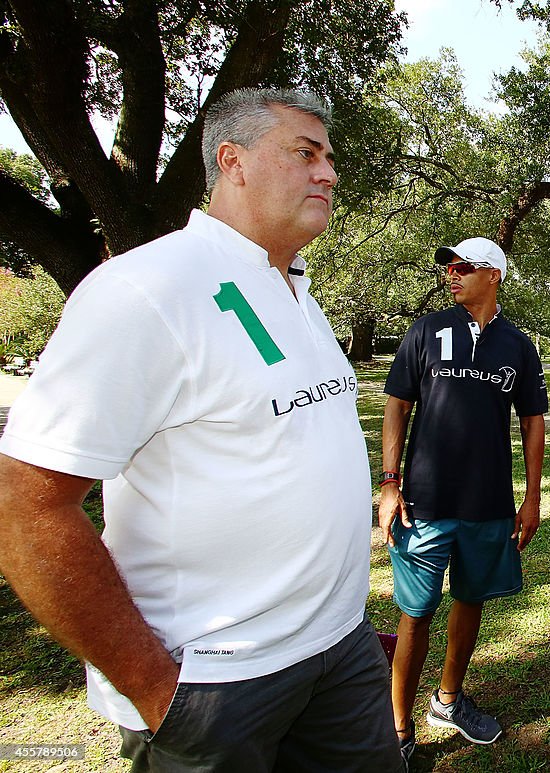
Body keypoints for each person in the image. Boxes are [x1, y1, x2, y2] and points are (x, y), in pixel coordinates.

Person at [0, 88, 404, 772]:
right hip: (219, 685)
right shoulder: (145, 289)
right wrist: (161, 692)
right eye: (305, 153)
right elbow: (25, 504)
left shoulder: (295, 289)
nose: (329, 172)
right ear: (232, 161)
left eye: (330, 158)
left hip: (340, 655)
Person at [379, 237, 548, 765]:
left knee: (470, 600)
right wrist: (389, 482)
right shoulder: (426, 330)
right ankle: (398, 733)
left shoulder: (518, 345)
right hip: (423, 504)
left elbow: (533, 421)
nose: (451, 275)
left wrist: (532, 497)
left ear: (493, 275)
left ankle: (448, 699)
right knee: (414, 615)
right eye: (448, 268)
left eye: (463, 268)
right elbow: (396, 404)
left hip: (489, 503)